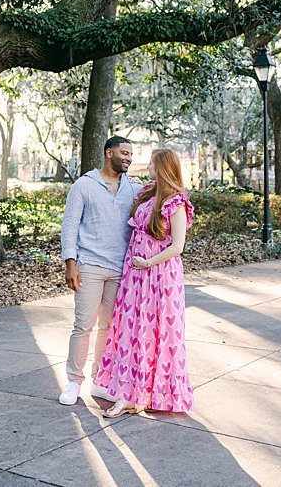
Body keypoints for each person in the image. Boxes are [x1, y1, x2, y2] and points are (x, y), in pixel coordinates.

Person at [94, 147, 197, 417]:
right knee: (133, 331)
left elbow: (178, 247)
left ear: (162, 167)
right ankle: (129, 394)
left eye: (152, 164)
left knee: (157, 332)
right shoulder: (148, 193)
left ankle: (153, 394)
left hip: (160, 276)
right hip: (136, 275)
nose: (148, 167)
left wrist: (148, 262)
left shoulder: (176, 201)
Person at [58, 135, 142, 406]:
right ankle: (73, 382)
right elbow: (70, 225)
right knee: (83, 325)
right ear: (109, 153)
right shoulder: (84, 185)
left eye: (131, 154)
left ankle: (101, 380)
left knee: (109, 327)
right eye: (124, 153)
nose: (128, 158)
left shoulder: (134, 188)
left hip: (121, 269)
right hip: (90, 266)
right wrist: (70, 263)